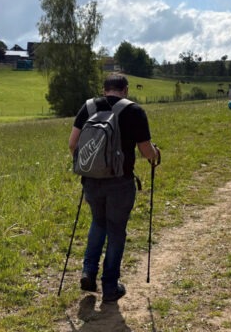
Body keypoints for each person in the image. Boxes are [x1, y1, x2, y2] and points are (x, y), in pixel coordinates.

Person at [68, 73, 161, 303]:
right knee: (116, 230)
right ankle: (110, 285)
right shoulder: (134, 111)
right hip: (120, 182)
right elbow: (146, 152)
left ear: (104, 89)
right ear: (125, 90)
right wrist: (156, 154)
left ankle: (88, 272)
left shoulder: (88, 107)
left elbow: (73, 144)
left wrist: (90, 167)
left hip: (91, 181)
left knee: (98, 223)